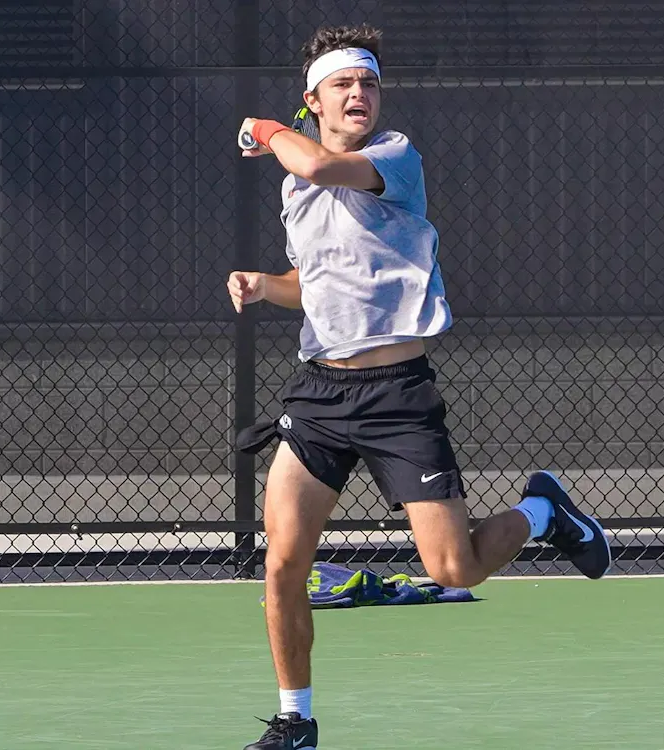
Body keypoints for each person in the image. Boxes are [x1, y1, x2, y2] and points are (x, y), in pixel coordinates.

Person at [229, 23, 612, 750]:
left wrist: (267, 127)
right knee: (283, 564)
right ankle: (295, 721)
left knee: (453, 566)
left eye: (369, 83)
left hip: (398, 396)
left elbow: (318, 163)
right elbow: (316, 283)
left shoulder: (393, 157)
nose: (360, 94)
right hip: (320, 395)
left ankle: (544, 512)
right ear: (316, 99)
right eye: (343, 84)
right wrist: (264, 285)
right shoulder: (296, 187)